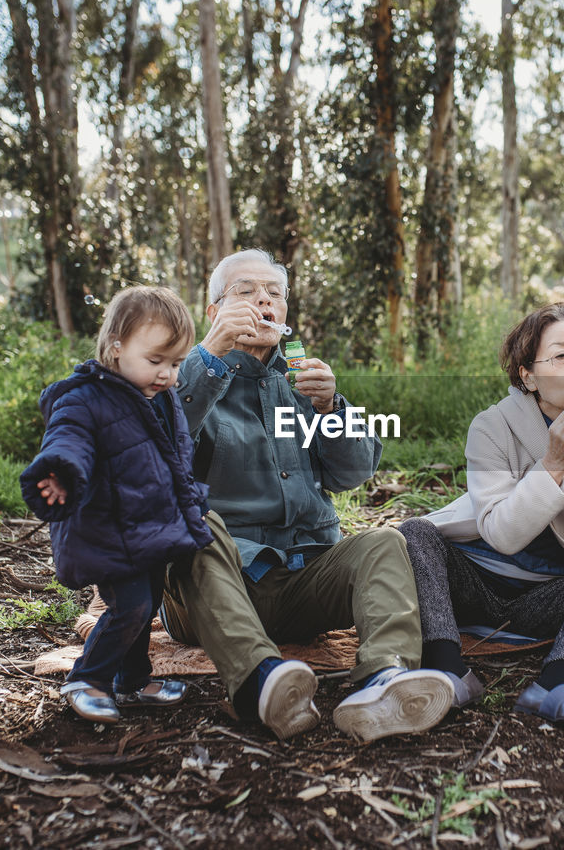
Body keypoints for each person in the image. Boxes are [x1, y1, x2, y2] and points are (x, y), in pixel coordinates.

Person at [158, 248, 453, 742]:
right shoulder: (184, 373)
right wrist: (208, 353)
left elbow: (354, 472)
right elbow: (158, 443)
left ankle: (386, 680)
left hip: (302, 581)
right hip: (222, 584)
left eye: (274, 293)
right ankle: (259, 681)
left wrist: (330, 408)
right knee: (195, 528)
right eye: (245, 292)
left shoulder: (302, 384)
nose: (263, 302)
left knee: (384, 543)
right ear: (214, 311)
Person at [398, 302, 564, 731]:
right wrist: (552, 464)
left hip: (545, 598)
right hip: (476, 580)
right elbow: (501, 535)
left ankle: (556, 687)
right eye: (561, 356)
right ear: (528, 376)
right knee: (414, 534)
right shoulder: (491, 427)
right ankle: (445, 670)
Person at [21, 286, 212, 724]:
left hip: (146, 525)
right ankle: (87, 678)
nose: (167, 374)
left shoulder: (157, 398)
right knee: (129, 606)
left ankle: (132, 679)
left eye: (176, 363)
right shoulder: (83, 398)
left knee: (147, 602)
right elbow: (68, 439)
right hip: (106, 529)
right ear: (116, 347)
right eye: (155, 361)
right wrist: (59, 472)